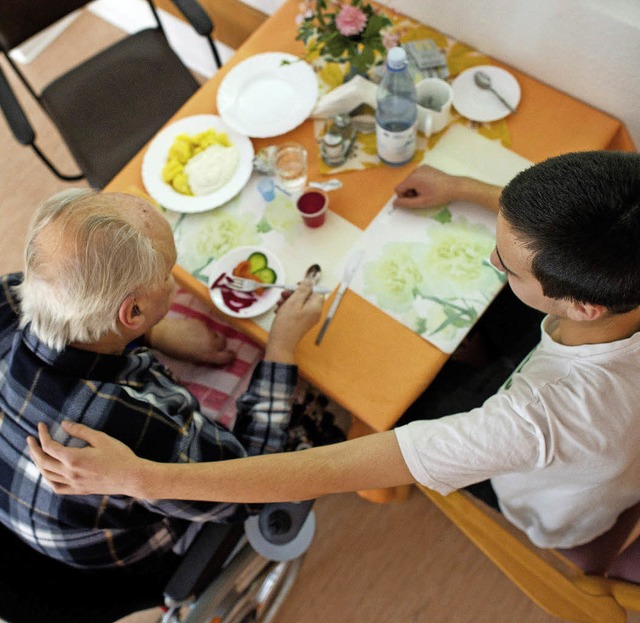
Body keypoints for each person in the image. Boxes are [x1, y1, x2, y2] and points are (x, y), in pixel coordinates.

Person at [29, 151, 640, 551]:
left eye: (506, 266)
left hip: (553, 511)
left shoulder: (540, 418)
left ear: (584, 304)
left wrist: (139, 476)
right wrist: (461, 187)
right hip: (597, 441)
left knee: (396, 403)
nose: (491, 260)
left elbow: (336, 468)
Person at [0, 188, 324, 583]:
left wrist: (157, 333)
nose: (175, 281)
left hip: (25, 500)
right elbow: (250, 482)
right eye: (168, 273)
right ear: (132, 311)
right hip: (113, 551)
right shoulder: (134, 422)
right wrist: (282, 345)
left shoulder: (14, 293)